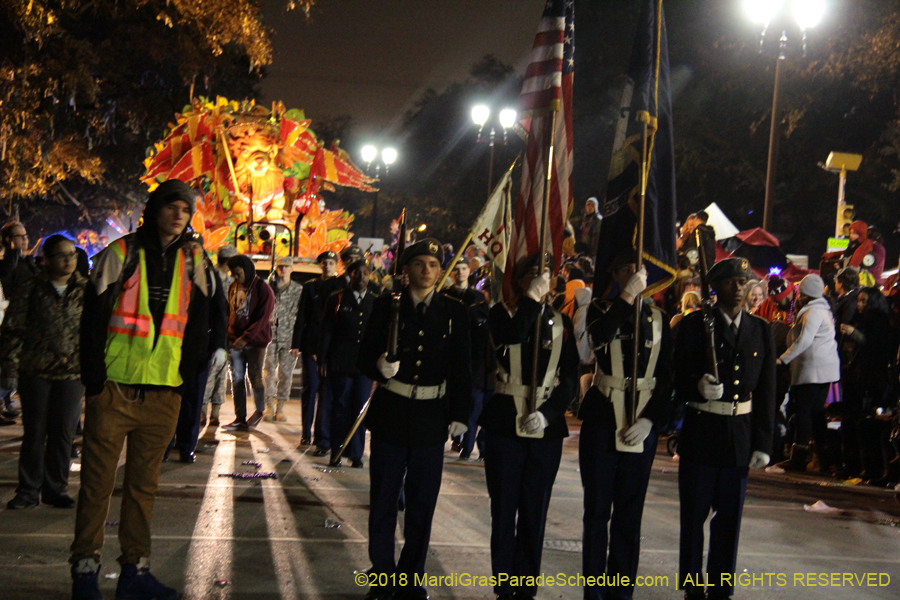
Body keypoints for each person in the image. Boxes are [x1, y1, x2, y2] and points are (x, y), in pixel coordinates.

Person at [73, 179, 214, 600]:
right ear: (155, 209)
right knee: (96, 485)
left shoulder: (195, 259)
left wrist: (186, 383)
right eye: (171, 206)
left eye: (185, 210)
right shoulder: (122, 252)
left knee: (143, 488)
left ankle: (135, 571)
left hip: (163, 392)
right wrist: (94, 382)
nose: (178, 215)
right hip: (114, 388)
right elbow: (93, 318)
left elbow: (203, 319)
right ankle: (84, 571)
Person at [357, 239, 471, 600]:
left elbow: (462, 368)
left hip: (430, 418)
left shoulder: (453, 312)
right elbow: (362, 357)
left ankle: (409, 577)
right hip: (393, 412)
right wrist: (378, 364)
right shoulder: (386, 307)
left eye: (433, 265)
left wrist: (460, 415)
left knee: (422, 503)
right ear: (405, 270)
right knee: (385, 500)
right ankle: (381, 575)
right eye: (419, 264)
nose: (426, 270)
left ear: (440, 271)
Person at [674, 257, 776, 600]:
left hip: (739, 435)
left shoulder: (760, 329)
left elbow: (766, 392)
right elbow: (674, 377)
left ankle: (719, 587)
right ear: (714, 287)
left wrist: (764, 442)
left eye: (742, 282)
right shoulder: (694, 326)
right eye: (731, 281)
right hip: (702, 430)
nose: (738, 287)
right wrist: (695, 385)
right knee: (694, 518)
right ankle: (692, 587)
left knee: (729, 520)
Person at [480, 253, 578, 600]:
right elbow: (512, 334)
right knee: (504, 509)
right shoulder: (501, 314)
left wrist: (550, 413)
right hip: (506, 422)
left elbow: (570, 379)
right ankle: (504, 587)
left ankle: (525, 588)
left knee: (535, 512)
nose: (541, 279)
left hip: (544, 430)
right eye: (533, 274)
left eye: (546, 274)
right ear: (520, 281)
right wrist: (532, 302)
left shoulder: (561, 322)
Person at [579, 253, 673, 600]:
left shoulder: (660, 319)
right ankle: (594, 591)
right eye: (625, 269)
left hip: (641, 423)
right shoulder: (602, 309)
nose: (634, 275)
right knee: (597, 511)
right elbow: (599, 339)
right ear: (616, 275)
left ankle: (620, 592)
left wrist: (651, 419)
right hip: (604, 419)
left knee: (630, 514)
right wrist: (626, 298)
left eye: (639, 271)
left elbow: (667, 378)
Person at [1, 235, 86, 509]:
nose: (68, 260)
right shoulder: (31, 288)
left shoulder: (85, 289)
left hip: (72, 373)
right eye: (61, 255)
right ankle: (28, 491)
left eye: (72, 255)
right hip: (35, 371)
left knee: (63, 434)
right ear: (46, 260)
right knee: (35, 433)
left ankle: (55, 489)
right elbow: (13, 329)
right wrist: (9, 368)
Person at [165, 239, 228, 463]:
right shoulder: (169, 271)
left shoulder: (210, 277)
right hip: (169, 345)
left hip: (199, 348)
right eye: (188, 249)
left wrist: (220, 345)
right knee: (168, 398)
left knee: (193, 399)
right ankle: (163, 444)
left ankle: (186, 446)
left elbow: (220, 312)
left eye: (196, 249)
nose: (192, 254)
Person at [775, 275, 840, 472]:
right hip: (824, 371)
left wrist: (783, 359)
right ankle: (824, 457)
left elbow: (803, 340)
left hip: (811, 370)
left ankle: (799, 457)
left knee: (803, 412)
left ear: (806, 294)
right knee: (817, 414)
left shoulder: (811, 312)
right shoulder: (824, 311)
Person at [319, 258, 377, 468]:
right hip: (341, 362)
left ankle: (356, 453)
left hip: (364, 365)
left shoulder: (374, 300)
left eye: (364, 273)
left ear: (369, 275)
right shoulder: (337, 299)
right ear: (349, 275)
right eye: (356, 273)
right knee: (340, 407)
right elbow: (327, 330)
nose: (360, 277)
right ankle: (337, 451)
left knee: (360, 409)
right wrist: (324, 358)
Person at [838, 286, 893, 480]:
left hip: (869, 381)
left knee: (864, 424)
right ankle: (855, 465)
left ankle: (868, 468)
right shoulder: (861, 319)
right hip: (857, 378)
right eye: (859, 300)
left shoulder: (879, 322)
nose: (860, 305)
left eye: (864, 301)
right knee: (853, 422)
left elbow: (872, 345)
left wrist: (853, 333)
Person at [442, 260, 490, 460]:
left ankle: (468, 444)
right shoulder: (445, 295)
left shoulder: (477, 299)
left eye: (464, 268)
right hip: (451, 354)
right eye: (457, 269)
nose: (460, 272)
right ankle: (455, 437)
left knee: (475, 404)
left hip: (476, 361)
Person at [222, 254, 275, 431]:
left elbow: (262, 319)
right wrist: (230, 337)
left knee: (255, 377)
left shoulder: (262, 288)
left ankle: (260, 409)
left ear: (247, 269)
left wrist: (246, 338)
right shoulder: (233, 287)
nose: (236, 277)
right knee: (236, 379)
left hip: (255, 342)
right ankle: (240, 417)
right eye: (233, 274)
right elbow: (231, 313)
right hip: (235, 341)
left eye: (238, 273)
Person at [291, 250, 339, 446]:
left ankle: (323, 434)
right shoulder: (311, 287)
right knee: (310, 390)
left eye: (330, 262)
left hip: (331, 349)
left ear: (336, 265)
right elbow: (302, 316)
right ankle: (306, 432)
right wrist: (296, 344)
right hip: (311, 346)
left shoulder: (340, 286)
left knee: (326, 394)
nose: (327, 265)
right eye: (324, 262)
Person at [200, 244, 237, 426]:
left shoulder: (233, 282)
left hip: (227, 334)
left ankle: (215, 412)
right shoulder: (210, 277)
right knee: (209, 372)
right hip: (211, 333)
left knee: (222, 374)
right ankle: (202, 410)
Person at [265, 257, 302, 422]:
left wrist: (298, 341)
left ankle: (280, 408)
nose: (283, 270)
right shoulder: (269, 287)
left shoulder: (298, 289)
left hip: (289, 336)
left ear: (292, 269)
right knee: (269, 373)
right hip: (270, 336)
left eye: (287, 267)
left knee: (286, 374)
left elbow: (302, 316)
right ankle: (269, 407)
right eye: (280, 267)